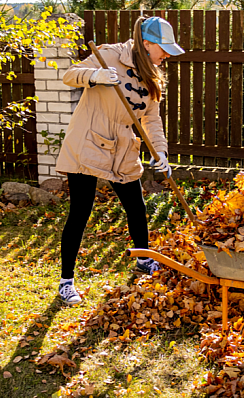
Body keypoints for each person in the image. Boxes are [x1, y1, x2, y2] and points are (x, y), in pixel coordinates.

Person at [55, 16, 185, 305]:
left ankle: (143, 261)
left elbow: (151, 118)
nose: (166, 56)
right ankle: (66, 282)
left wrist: (160, 152)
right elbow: (69, 75)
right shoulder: (109, 55)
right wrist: (95, 76)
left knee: (136, 207)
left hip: (124, 148)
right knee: (80, 212)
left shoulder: (152, 73)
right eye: (163, 49)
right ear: (147, 44)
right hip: (89, 142)